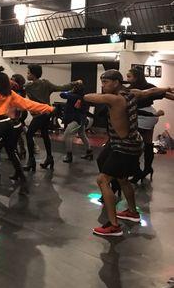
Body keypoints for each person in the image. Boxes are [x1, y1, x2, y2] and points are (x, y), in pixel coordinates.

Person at [84, 70, 172, 236]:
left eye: (105, 82)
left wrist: (77, 92)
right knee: (122, 178)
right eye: (102, 83)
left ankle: (113, 226)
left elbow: (89, 97)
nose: (103, 86)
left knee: (102, 179)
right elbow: (151, 91)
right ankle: (132, 212)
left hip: (124, 146)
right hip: (131, 142)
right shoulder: (131, 93)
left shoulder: (114, 98)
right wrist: (167, 87)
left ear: (117, 82)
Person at [0, 68, 55, 203]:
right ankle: (22, 178)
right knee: (10, 151)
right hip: (9, 124)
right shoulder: (10, 94)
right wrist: (49, 108)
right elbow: (29, 104)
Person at [24, 64, 81, 171]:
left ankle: (31, 160)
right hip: (47, 113)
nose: (27, 75)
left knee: (29, 135)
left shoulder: (28, 86)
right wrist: (75, 83)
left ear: (33, 74)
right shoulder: (45, 83)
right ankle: (49, 158)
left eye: (28, 73)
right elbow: (61, 87)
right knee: (45, 134)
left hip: (39, 115)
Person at [126, 67, 174, 183]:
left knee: (135, 143)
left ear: (136, 77)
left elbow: (166, 94)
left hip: (145, 116)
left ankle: (137, 172)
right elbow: (166, 94)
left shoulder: (140, 88)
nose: (127, 79)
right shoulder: (144, 86)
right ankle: (147, 168)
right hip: (148, 115)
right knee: (147, 143)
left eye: (129, 76)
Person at [60, 82, 92, 163]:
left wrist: (70, 90)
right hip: (81, 119)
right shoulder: (82, 96)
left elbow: (62, 94)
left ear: (75, 89)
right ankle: (89, 152)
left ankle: (69, 156)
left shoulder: (73, 96)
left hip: (76, 120)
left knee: (67, 135)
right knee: (82, 135)